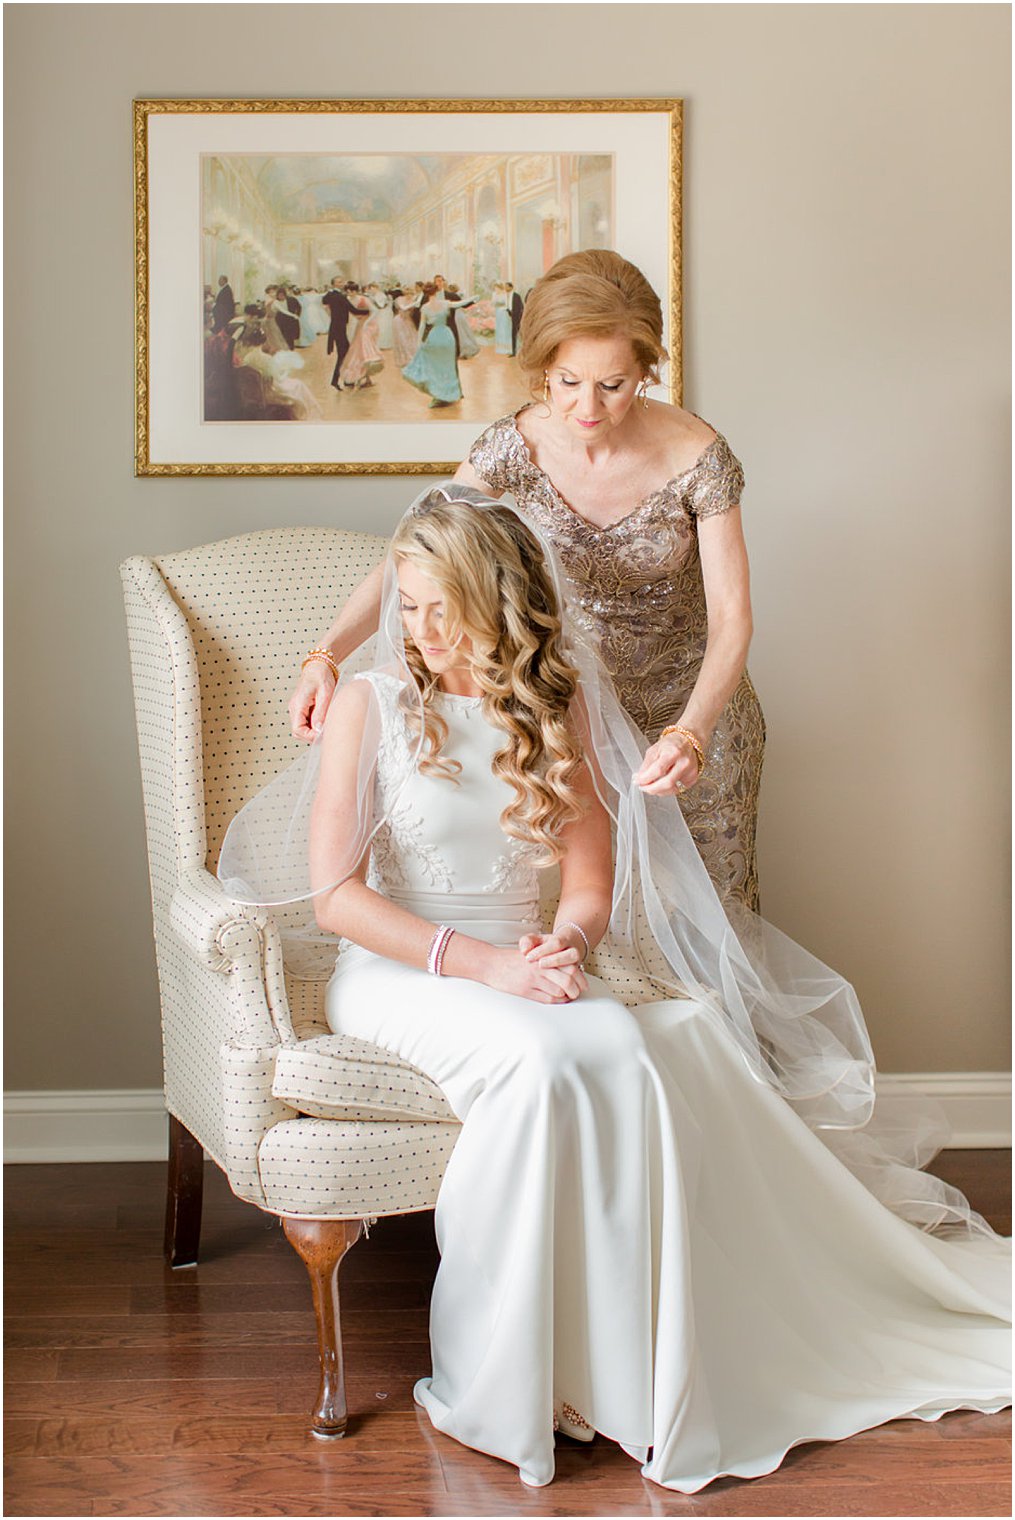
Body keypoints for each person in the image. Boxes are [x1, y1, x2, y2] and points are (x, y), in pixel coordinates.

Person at [220, 487, 1009, 1495]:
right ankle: (498, 1381)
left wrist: (566, 941)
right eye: (403, 607)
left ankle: (607, 1370)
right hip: (402, 967)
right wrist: (488, 965)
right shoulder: (375, 703)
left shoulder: (553, 701)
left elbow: (588, 875)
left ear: (493, 599)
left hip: (528, 956)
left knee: (628, 1050)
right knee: (551, 1060)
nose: (414, 632)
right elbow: (335, 899)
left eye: (434, 608)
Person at [289, 250, 765, 914]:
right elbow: (419, 553)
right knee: (586, 917)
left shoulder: (699, 459)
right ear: (541, 365)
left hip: (689, 719)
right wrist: (325, 654)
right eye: (567, 381)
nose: (587, 407)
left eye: (615, 384)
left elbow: (733, 618)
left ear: (647, 370)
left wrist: (691, 732)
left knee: (710, 924)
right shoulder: (510, 448)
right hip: (564, 723)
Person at [401, 282, 463, 408]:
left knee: (436, 367)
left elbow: (422, 325)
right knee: (447, 367)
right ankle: (447, 394)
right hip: (446, 336)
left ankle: (439, 395)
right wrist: (472, 299)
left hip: (434, 336)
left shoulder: (425, 307)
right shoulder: (444, 303)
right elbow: (459, 304)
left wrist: (419, 342)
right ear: (436, 291)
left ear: (425, 292)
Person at [322, 275, 369, 390]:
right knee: (344, 355)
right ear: (333, 284)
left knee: (345, 354)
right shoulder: (340, 297)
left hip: (337, 328)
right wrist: (370, 311)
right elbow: (353, 310)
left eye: (342, 281)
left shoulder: (332, 295)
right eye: (339, 282)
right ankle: (339, 379)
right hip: (339, 328)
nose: (342, 283)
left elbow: (324, 300)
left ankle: (343, 379)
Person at [338, 285, 384, 390]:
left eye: (351, 291)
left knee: (364, 350)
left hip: (369, 325)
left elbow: (375, 311)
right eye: (348, 292)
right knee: (358, 350)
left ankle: (362, 378)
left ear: (355, 291)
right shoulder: (348, 300)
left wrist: (366, 323)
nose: (349, 293)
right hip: (360, 325)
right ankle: (365, 378)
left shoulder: (363, 299)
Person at [493, 281, 513, 354]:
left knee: (505, 328)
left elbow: (507, 303)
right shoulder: (494, 294)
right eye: (495, 288)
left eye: (497, 288)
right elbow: (493, 303)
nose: (495, 289)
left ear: (499, 288)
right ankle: (500, 348)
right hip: (498, 313)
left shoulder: (504, 294)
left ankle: (507, 347)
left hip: (504, 312)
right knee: (499, 329)